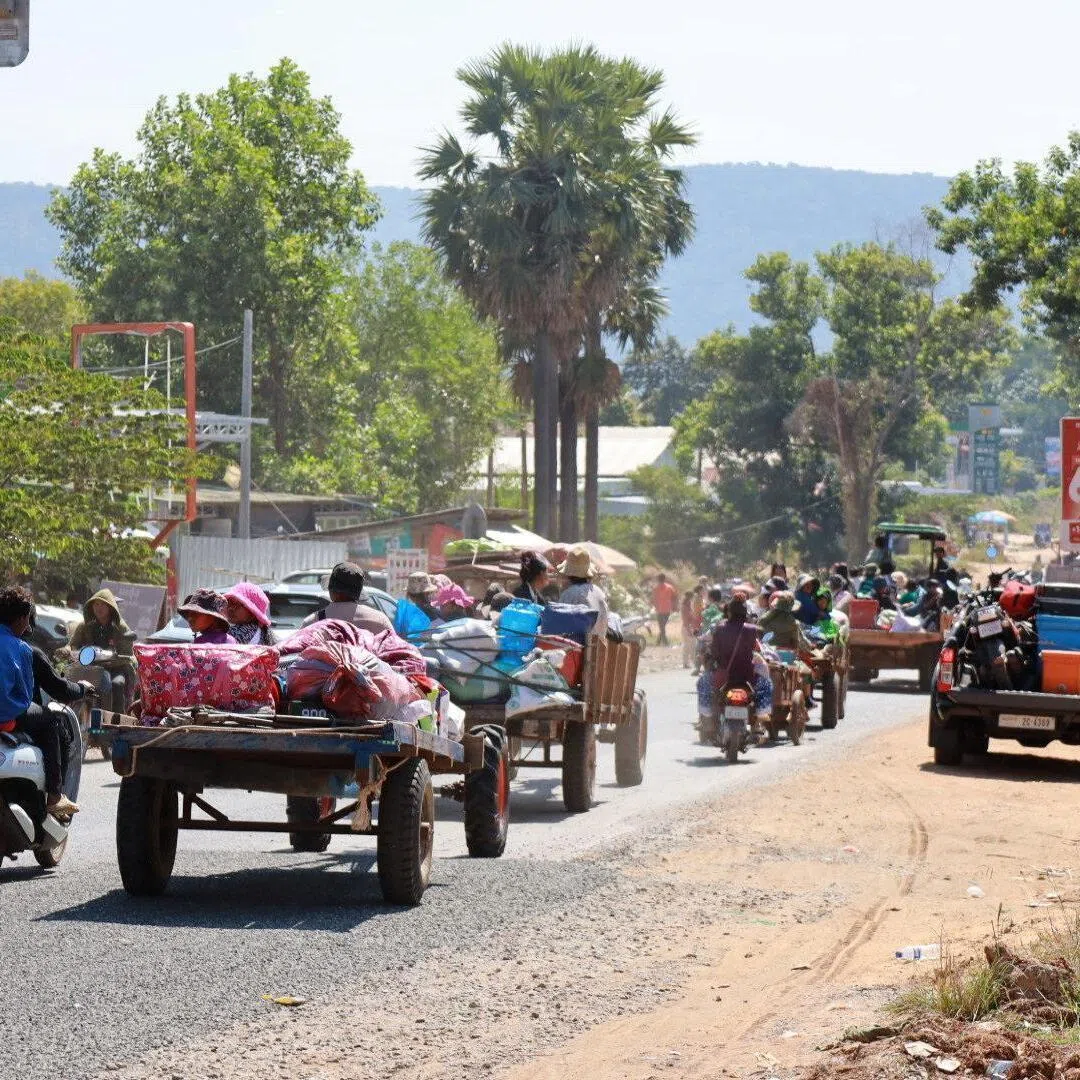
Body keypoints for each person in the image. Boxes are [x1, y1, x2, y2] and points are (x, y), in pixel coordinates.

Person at [0, 586, 79, 818]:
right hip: (7, 715)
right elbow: (25, 695)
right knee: (51, 721)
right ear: (24, 618)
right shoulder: (23, 648)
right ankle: (55, 796)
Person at [64, 587, 137, 713]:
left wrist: (114, 658)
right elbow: (72, 644)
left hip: (115, 668)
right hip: (89, 667)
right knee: (66, 682)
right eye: (96, 604)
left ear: (110, 607)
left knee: (117, 684)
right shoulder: (85, 625)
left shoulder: (121, 627)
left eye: (103, 605)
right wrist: (66, 649)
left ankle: (117, 723)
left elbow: (128, 654)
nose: (99, 608)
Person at [303, 562, 395, 635]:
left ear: (331, 590)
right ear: (359, 592)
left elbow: (299, 653)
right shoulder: (379, 620)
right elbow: (395, 650)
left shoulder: (313, 622)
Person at [558, 546, 609, 639]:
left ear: (568, 574)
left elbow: (559, 627)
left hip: (574, 648)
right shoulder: (599, 592)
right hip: (598, 646)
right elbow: (604, 623)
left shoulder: (568, 594)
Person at [652, 572, 679, 646]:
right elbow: (675, 597)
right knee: (662, 626)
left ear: (658, 579)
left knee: (662, 626)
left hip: (659, 609)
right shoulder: (670, 587)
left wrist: (654, 606)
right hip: (667, 609)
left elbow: (654, 599)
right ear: (664, 579)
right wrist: (675, 607)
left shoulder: (656, 588)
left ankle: (661, 642)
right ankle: (663, 642)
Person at [680, 589, 701, 669]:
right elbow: (685, 620)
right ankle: (687, 663)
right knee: (689, 646)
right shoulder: (685, 607)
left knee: (690, 646)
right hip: (687, 627)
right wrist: (689, 630)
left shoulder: (687, 606)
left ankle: (689, 663)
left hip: (688, 627)